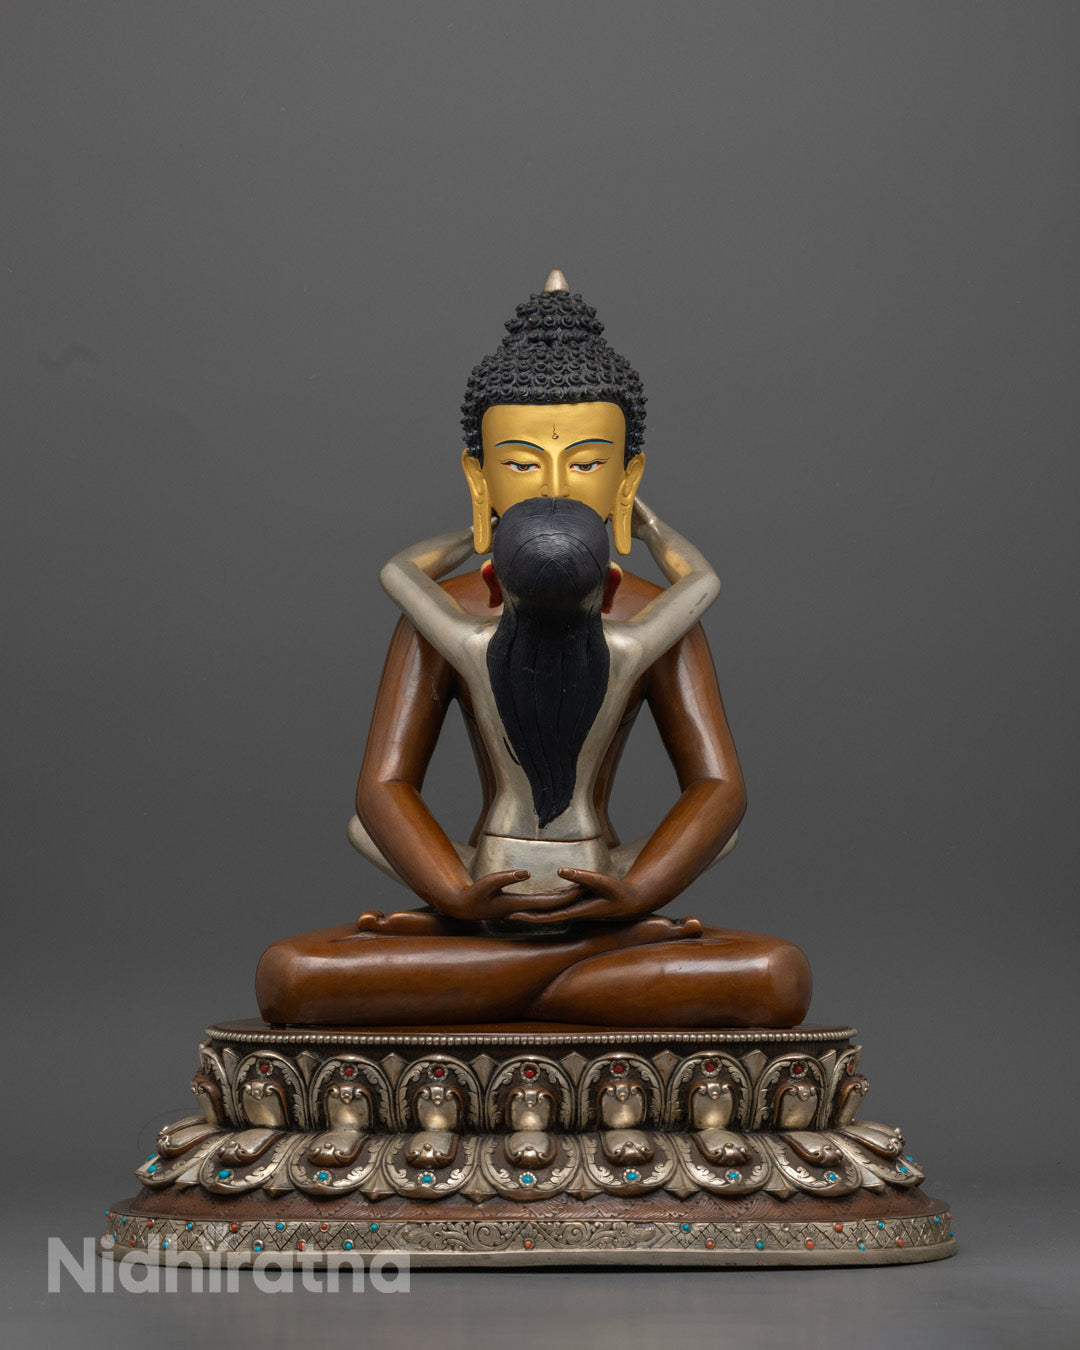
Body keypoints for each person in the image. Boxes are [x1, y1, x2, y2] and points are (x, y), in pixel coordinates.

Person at [255, 275, 811, 1027]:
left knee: (772, 978)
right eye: (519, 464)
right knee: (294, 978)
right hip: (562, 894)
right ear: (478, 477)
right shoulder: (634, 628)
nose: (554, 488)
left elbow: (716, 791)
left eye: (586, 464)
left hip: (542, 888)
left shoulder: (473, 624)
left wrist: (638, 888)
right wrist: (452, 890)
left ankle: (499, 972)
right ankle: (576, 965)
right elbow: (384, 790)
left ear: (627, 480)